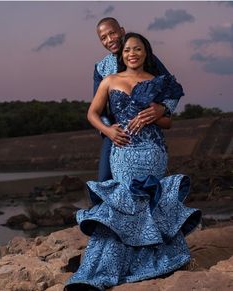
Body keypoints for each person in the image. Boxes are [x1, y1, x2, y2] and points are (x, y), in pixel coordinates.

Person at [64, 32, 201, 291]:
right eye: (127, 50)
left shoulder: (156, 82)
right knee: (125, 203)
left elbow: (168, 122)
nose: (132, 54)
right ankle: (106, 267)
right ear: (122, 54)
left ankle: (156, 262)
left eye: (138, 49)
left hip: (153, 151)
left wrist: (155, 114)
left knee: (151, 203)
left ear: (146, 53)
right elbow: (92, 113)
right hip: (124, 152)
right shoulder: (110, 80)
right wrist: (108, 131)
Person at [94, 17, 178, 182]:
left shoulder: (147, 58)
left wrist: (163, 108)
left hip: (147, 136)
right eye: (103, 37)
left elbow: (172, 89)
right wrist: (109, 131)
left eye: (112, 33)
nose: (109, 40)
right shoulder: (101, 68)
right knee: (104, 181)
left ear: (122, 31)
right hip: (116, 132)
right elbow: (99, 111)